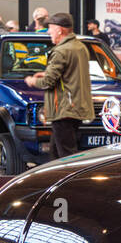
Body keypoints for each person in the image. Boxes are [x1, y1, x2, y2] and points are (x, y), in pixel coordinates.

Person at [24, 13, 92, 159]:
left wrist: (32, 81)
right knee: (55, 154)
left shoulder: (61, 51)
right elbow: (71, 74)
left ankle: (70, 181)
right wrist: (46, 73)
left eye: (51, 28)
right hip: (75, 107)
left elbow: (48, 82)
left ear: (60, 30)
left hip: (63, 109)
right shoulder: (80, 47)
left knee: (66, 156)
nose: (48, 32)